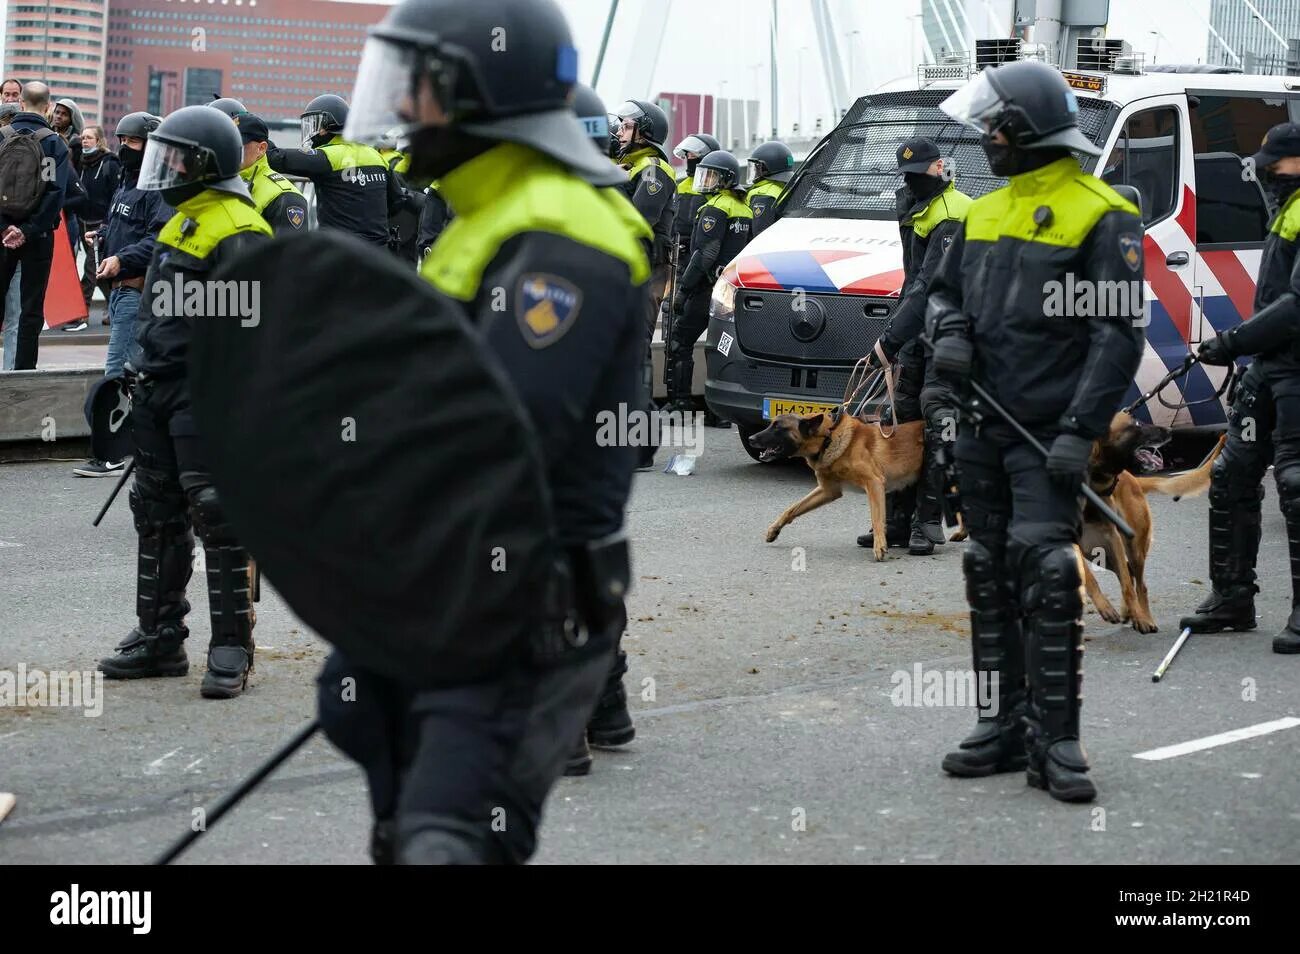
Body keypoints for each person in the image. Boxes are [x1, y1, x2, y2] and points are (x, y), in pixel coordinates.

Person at [329, 0, 648, 863]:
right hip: (448, 586)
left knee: (453, 837)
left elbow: (502, 439)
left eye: (420, 90)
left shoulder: (561, 235)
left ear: (482, 94)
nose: (401, 110)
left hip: (520, 603)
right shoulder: (486, 218)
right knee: (389, 787)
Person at [927, 60, 1145, 802]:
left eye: (993, 127)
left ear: (1021, 132)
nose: (985, 139)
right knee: (986, 568)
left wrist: (1079, 431)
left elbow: (1117, 336)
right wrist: (950, 329)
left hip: (1046, 430)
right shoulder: (980, 212)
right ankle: (1001, 725)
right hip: (984, 424)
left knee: (1048, 575)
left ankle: (1057, 740)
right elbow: (941, 295)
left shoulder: (1100, 211)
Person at [95, 105, 272, 698]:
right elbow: (161, 306)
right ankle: (160, 638)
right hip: (158, 387)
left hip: (207, 391)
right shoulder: (180, 219)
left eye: (174, 156)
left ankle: (231, 648)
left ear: (205, 165)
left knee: (218, 514)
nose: (162, 166)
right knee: (156, 512)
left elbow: (248, 320)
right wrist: (136, 366)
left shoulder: (240, 226)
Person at [1183, 122, 1300, 655]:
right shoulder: (1287, 208)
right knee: (1231, 476)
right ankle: (1231, 598)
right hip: (1270, 365)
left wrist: (1230, 340)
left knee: (1296, 488)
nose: (1267, 173)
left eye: (1277, 163)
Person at [858, 137, 971, 556]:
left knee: (938, 424)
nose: (910, 181)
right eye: (906, 175)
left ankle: (929, 522)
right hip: (918, 331)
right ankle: (895, 523)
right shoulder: (916, 208)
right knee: (902, 423)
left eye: (917, 173)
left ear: (938, 169)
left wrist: (888, 340)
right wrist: (898, 332)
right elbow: (912, 284)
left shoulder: (952, 213)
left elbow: (931, 286)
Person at [611, 96, 676, 470]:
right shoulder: (624, 166)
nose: (619, 131)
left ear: (644, 131)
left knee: (635, 353)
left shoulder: (653, 170)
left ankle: (641, 445)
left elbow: (636, 221)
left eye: (626, 125)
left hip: (644, 273)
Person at [665, 149, 751, 415]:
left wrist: (683, 291)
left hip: (705, 288)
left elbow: (706, 253)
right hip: (731, 291)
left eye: (712, 176)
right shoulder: (745, 209)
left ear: (725, 180)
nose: (706, 181)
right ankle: (721, 413)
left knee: (680, 340)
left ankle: (680, 402)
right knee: (722, 347)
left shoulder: (714, 208)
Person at [265, 94, 408, 246]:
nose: (314, 131)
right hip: (378, 251)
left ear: (327, 126)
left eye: (316, 125)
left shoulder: (328, 156)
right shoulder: (375, 156)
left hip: (340, 252)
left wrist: (256, 133)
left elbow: (276, 158)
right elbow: (397, 200)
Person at [0, 82, 75, 370]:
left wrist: (6, 227)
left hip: (2, 235)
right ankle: (23, 375)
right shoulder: (53, 143)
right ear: (47, 106)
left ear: (21, 103)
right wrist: (28, 229)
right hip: (37, 238)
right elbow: (55, 194)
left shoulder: (1, 135)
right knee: (30, 310)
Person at [234, 114, 309, 234]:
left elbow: (291, 251)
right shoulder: (220, 182)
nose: (231, 148)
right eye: (228, 142)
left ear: (261, 148)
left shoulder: (286, 197)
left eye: (238, 144)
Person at [77, 125, 122, 311]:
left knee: (90, 270)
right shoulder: (82, 163)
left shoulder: (110, 164)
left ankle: (81, 313)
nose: (84, 141)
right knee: (99, 269)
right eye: (82, 138)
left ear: (99, 141)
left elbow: (116, 195)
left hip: (101, 224)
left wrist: (107, 223)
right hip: (83, 224)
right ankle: (115, 307)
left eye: (88, 137)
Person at [744, 139, 794, 237]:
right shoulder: (787, 189)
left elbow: (760, 235)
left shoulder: (763, 195)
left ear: (766, 169)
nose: (754, 171)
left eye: (756, 167)